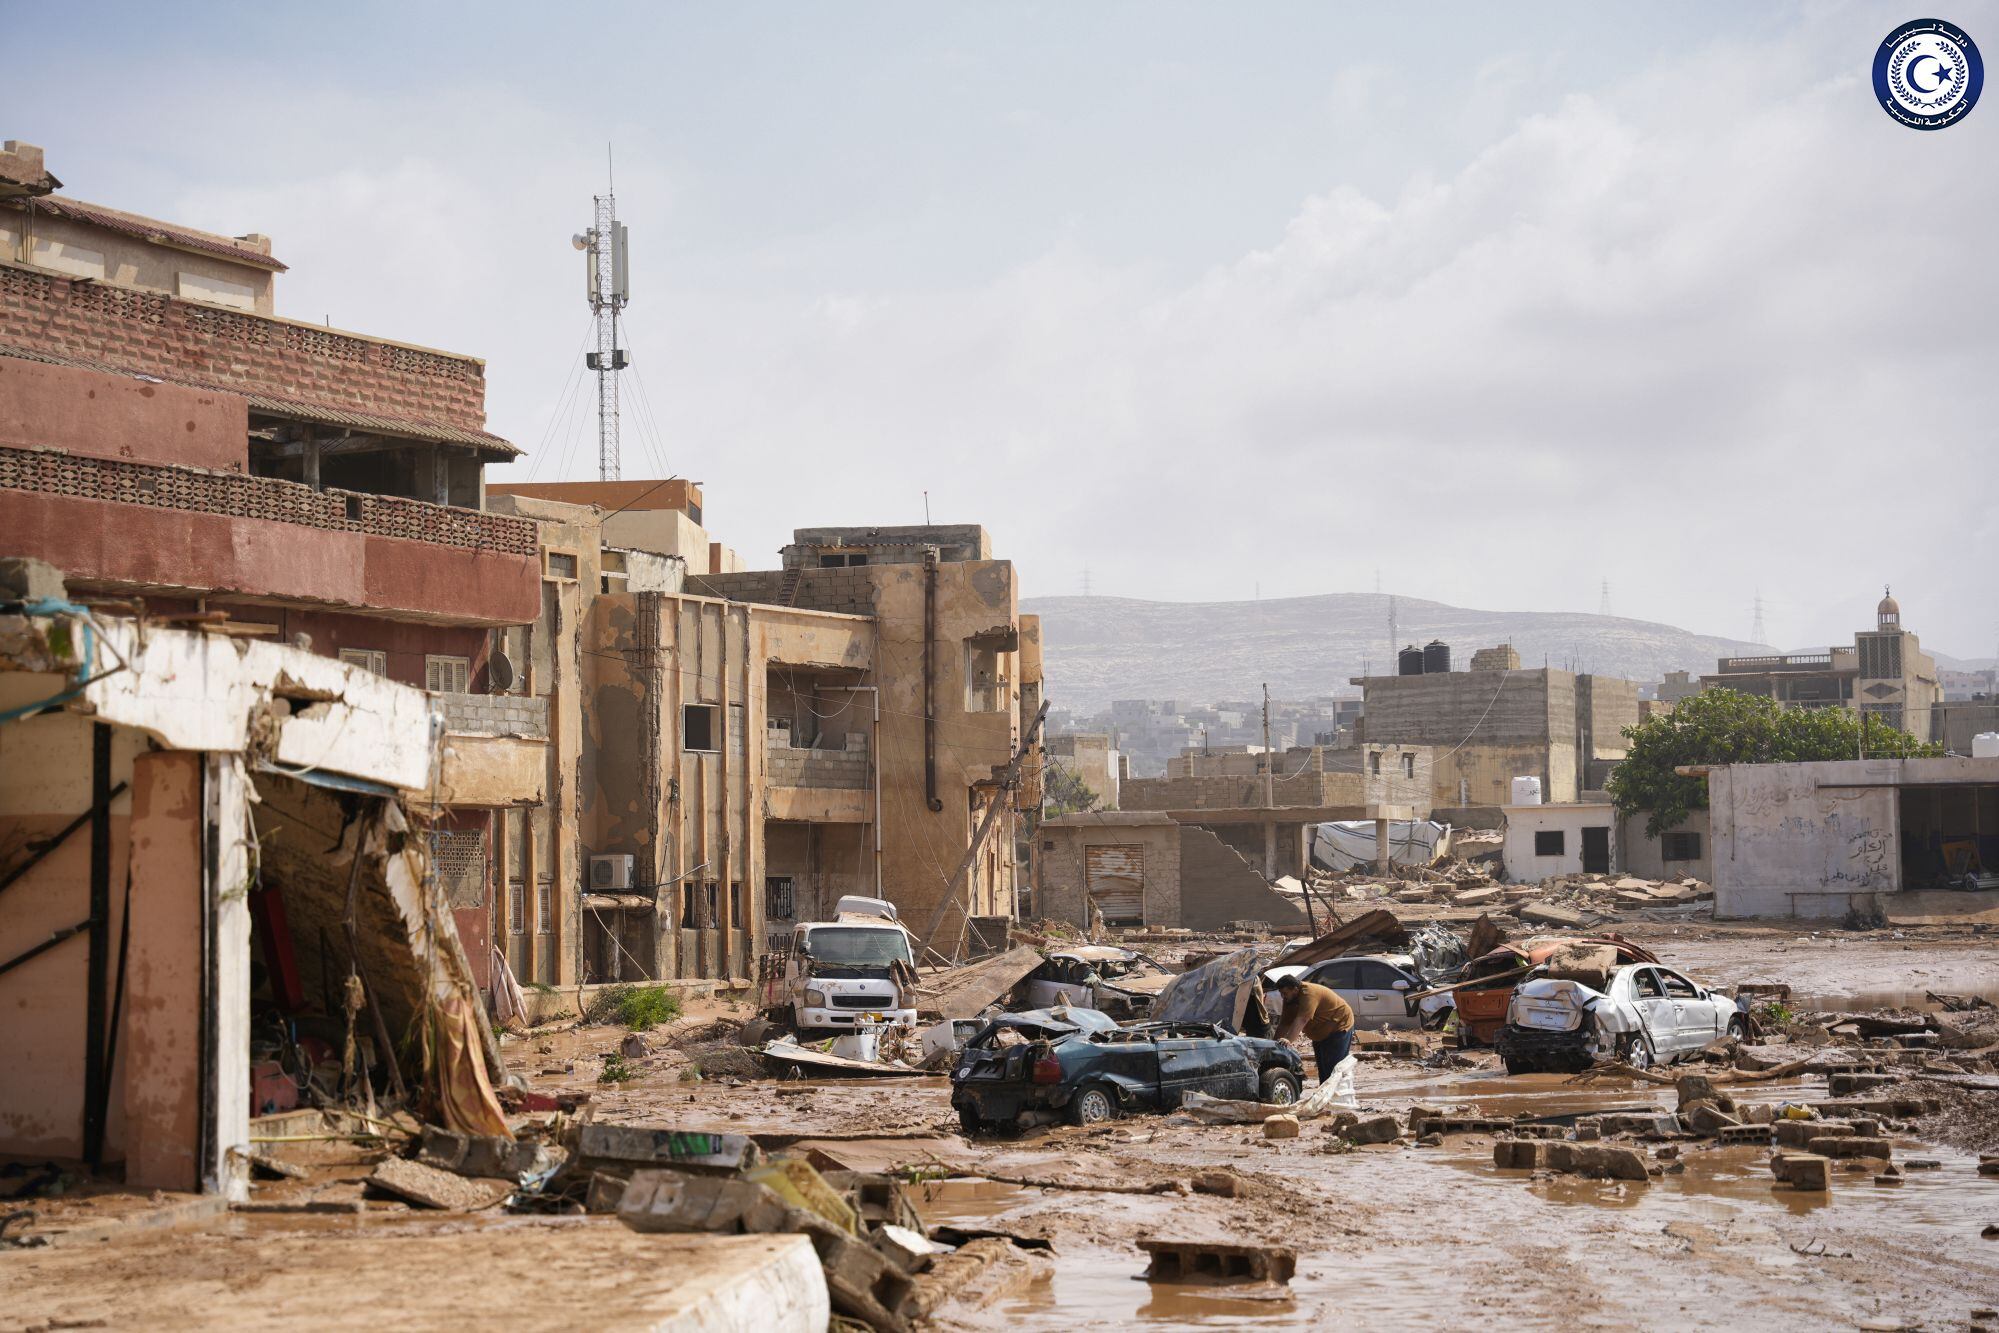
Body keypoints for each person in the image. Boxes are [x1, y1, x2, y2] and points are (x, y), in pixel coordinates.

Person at [1272, 974, 1355, 1083]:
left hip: (1339, 1026)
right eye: (1281, 994)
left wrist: (1288, 1040)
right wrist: (1273, 1045)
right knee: (1323, 1070)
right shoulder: (1289, 1000)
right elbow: (1284, 1024)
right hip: (1319, 1034)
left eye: (1285, 993)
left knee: (1334, 1069)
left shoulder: (1308, 993)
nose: (1283, 997)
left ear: (1295, 989)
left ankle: (1337, 1097)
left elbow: (1302, 1019)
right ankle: (1325, 1097)